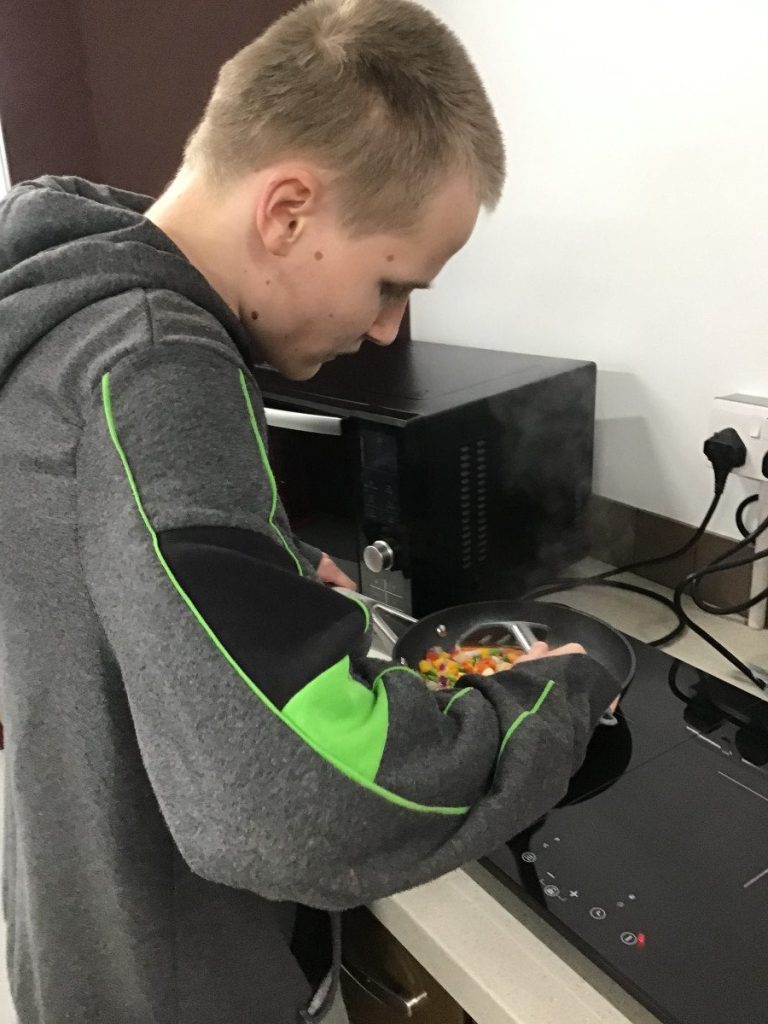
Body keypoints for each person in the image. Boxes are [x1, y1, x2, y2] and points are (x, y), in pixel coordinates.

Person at [0, 1, 618, 1021]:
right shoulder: (157, 366)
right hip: (181, 980)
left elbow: (89, 562)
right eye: (390, 283)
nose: (386, 331)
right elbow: (299, 809)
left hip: (80, 929)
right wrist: (544, 701)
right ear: (288, 211)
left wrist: (264, 569)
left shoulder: (63, 315)